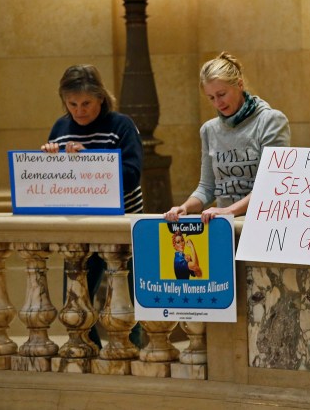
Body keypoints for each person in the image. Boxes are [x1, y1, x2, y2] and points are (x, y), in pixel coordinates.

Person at [41, 64, 144, 348]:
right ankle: (92, 356)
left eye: (86, 103)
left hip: (122, 227)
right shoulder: (60, 128)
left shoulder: (121, 125)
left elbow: (132, 174)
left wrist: (91, 160)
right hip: (80, 227)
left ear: (100, 97)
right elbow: (57, 183)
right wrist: (50, 160)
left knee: (126, 302)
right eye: (71, 104)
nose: (79, 110)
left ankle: (132, 356)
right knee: (75, 303)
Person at [164, 52, 291, 223]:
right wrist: (185, 207)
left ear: (239, 85)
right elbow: (207, 188)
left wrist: (228, 210)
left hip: (262, 222)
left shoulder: (271, 120)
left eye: (221, 94)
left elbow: (272, 183)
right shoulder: (209, 130)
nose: (217, 103)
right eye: (211, 98)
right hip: (223, 224)